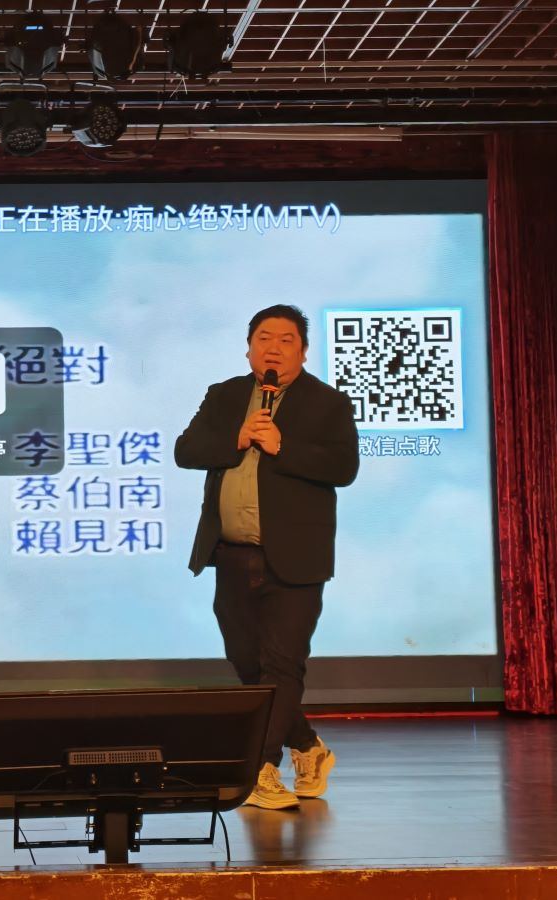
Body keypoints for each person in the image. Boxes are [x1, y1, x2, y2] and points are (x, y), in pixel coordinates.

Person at [174, 304, 359, 810]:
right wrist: (236, 438)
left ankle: (260, 768)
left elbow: (343, 467)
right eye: (263, 338)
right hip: (231, 555)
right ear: (248, 348)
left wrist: (283, 446)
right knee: (249, 664)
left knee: (282, 664)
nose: (273, 348)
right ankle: (308, 746)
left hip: (297, 559)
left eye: (285, 340)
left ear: (304, 351)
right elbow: (185, 450)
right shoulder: (225, 395)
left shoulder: (328, 403)